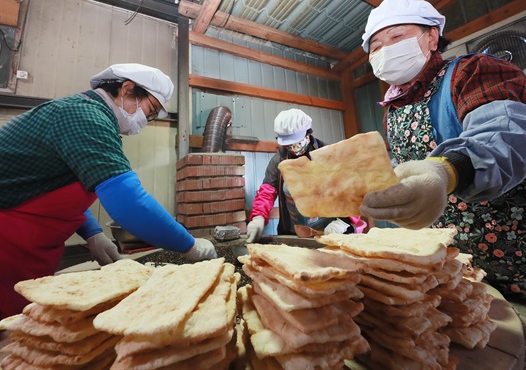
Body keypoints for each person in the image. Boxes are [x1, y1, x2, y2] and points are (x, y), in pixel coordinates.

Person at [358, 0, 526, 363]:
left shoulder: (473, 72)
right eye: (375, 45)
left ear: (431, 37)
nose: (384, 51)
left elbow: (508, 130)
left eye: (396, 38)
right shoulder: (394, 110)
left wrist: (448, 168)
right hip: (477, 266)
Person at [0, 63, 217, 320]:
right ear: (127, 89)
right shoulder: (84, 115)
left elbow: (52, 187)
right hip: (8, 243)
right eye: (151, 110)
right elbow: (130, 204)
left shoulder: (91, 116)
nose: (146, 121)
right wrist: (189, 246)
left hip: (30, 246)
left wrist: (92, 232)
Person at [246, 108, 365, 243]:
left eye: (296, 142)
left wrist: (343, 221)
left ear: (307, 134)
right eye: (288, 144)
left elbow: (352, 190)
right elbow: (267, 191)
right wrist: (258, 217)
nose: (293, 147)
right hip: (295, 231)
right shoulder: (278, 160)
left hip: (333, 230)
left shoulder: (328, 153)